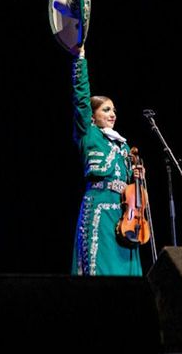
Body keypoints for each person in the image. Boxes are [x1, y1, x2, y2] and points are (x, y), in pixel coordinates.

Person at [70, 46, 143, 276]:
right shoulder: (88, 134)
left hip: (125, 217)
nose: (113, 114)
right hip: (99, 208)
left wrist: (138, 175)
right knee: (99, 270)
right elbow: (81, 99)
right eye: (106, 109)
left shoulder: (122, 144)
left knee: (124, 273)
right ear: (92, 116)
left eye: (114, 110)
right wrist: (80, 59)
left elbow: (131, 185)